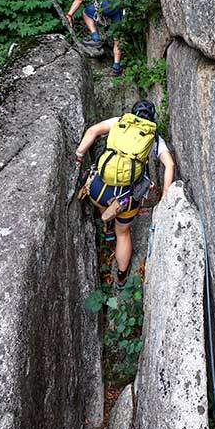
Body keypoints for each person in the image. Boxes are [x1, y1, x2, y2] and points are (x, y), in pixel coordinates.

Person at [75, 100, 175, 292]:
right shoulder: (153, 138)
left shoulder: (119, 122)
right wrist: (165, 198)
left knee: (103, 203)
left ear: (133, 113)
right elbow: (169, 165)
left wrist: (79, 155)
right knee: (124, 233)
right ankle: (120, 278)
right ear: (151, 119)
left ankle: (107, 227)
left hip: (98, 188)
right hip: (125, 197)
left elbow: (92, 131)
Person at [65, 0, 124, 75]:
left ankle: (95, 38)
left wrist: (69, 14)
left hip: (108, 2)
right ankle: (116, 66)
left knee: (86, 13)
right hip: (120, 3)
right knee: (117, 37)